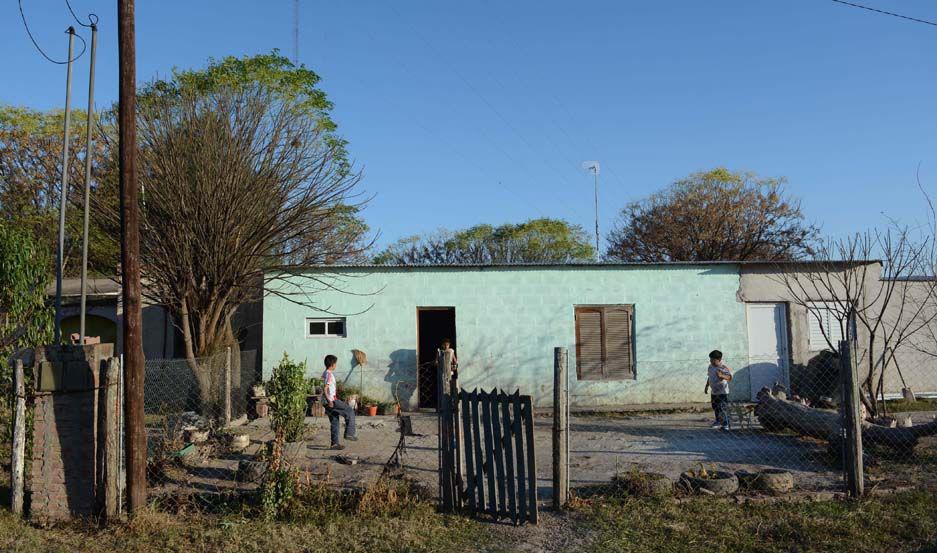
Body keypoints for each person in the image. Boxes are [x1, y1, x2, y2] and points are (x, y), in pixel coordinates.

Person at [322, 354, 357, 450]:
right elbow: (325, 388)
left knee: (334, 421)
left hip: (327, 401)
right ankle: (349, 433)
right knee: (349, 411)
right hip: (331, 400)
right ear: (332, 364)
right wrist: (329, 400)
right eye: (335, 363)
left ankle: (334, 444)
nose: (336, 365)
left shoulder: (325, 373)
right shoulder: (329, 374)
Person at [704, 349, 733, 431]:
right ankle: (718, 421)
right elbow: (709, 377)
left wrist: (722, 376)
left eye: (713, 360)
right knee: (715, 407)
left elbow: (730, 377)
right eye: (710, 359)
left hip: (722, 392)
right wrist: (706, 386)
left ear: (719, 360)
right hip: (714, 391)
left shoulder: (722, 368)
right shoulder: (710, 367)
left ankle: (725, 424)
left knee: (722, 407)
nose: (711, 361)